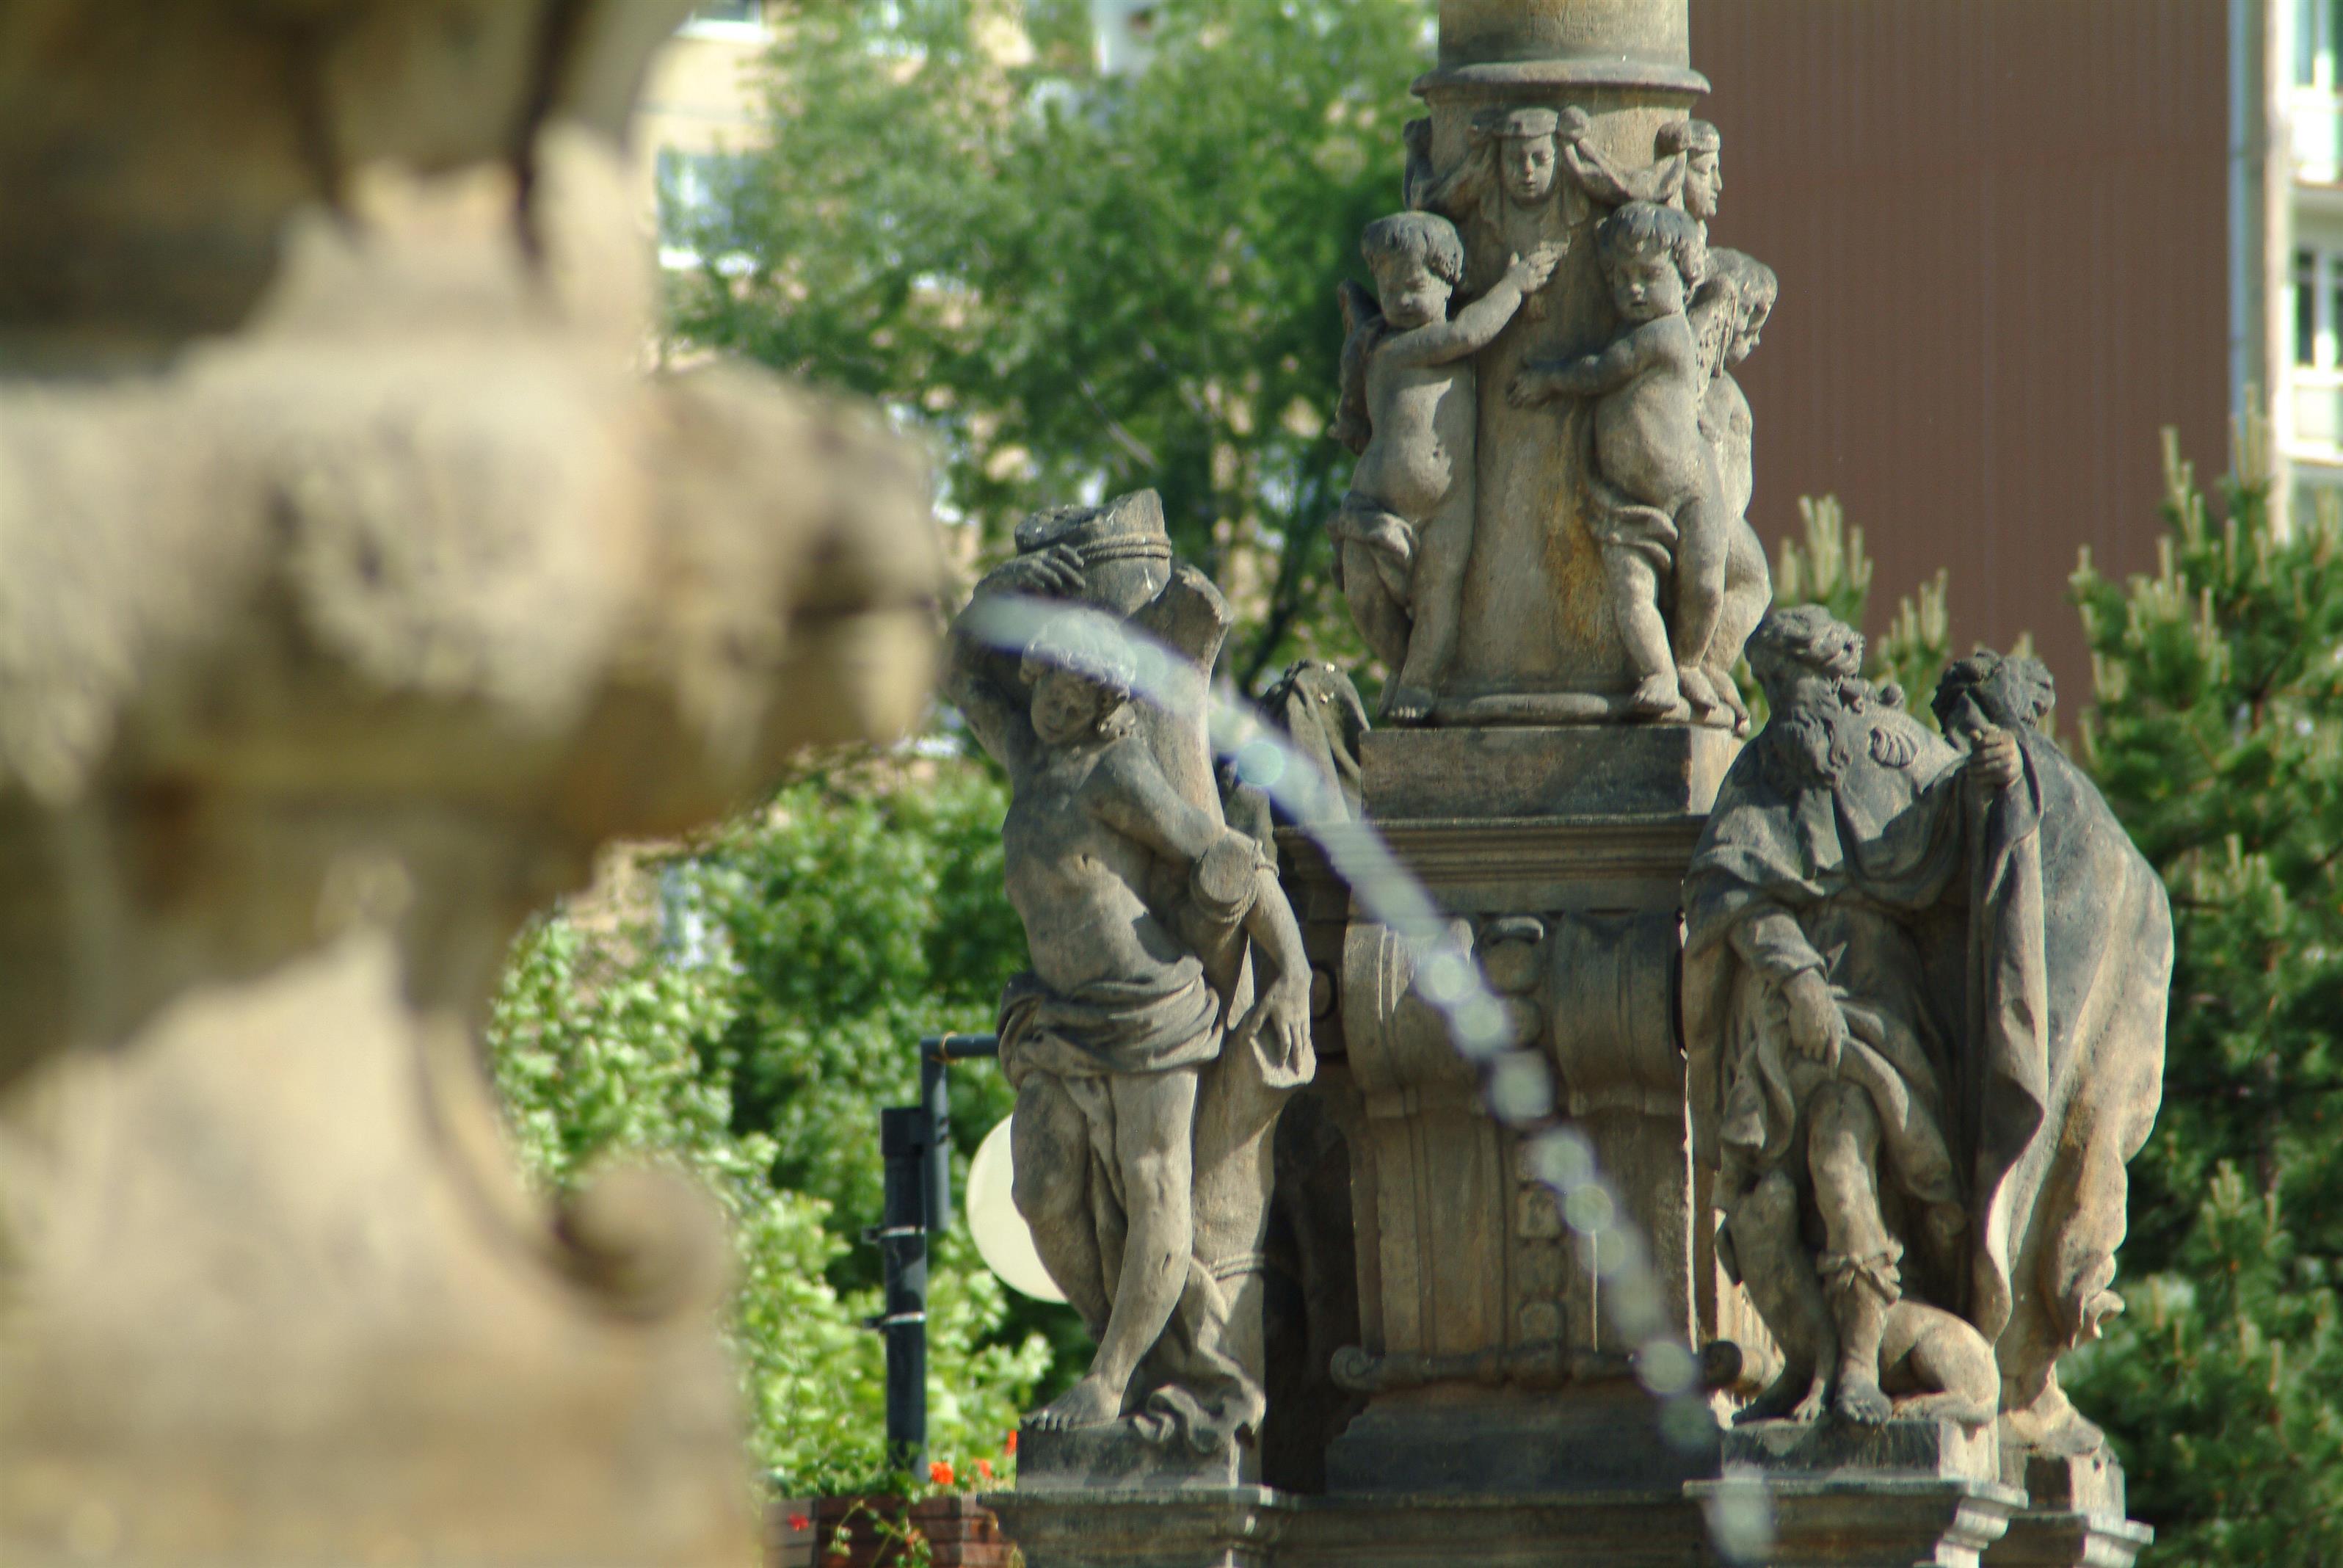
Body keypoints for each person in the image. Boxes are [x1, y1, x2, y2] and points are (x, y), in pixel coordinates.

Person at [945, 598, 1315, 1444]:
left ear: (1105, 705)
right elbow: (964, 684)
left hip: (1150, 1014)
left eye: (1077, 696)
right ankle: (1127, 1343)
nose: (1055, 705)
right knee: (1040, 1190)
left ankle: (1112, 1378)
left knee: (1154, 1185)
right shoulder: (1029, 760)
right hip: (1059, 1018)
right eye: (1050, 685)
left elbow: (1225, 856)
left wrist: (1292, 970)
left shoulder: (1115, 773)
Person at [1332, 214, 1558, 722]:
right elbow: (1472, 330)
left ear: (1449, 280)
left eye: (1414, 286)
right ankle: (1406, 666)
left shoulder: (1442, 341)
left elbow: (1471, 330)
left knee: (1439, 597)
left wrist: (1516, 285)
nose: (1400, 300)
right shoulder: (1392, 348)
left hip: (1446, 508)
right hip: (1374, 507)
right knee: (1364, 597)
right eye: (1389, 290)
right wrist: (1514, 286)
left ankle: (1419, 681)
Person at [1508, 201, 1724, 720]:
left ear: (1686, 281)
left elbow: (1602, 371)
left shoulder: (1666, 334)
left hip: (1693, 492)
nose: (1633, 289)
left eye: (1648, 276)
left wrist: (1549, 378)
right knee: (1632, 593)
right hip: (1625, 501)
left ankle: (1691, 661)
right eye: (1620, 278)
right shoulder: (1635, 330)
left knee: (1704, 585)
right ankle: (1659, 673)